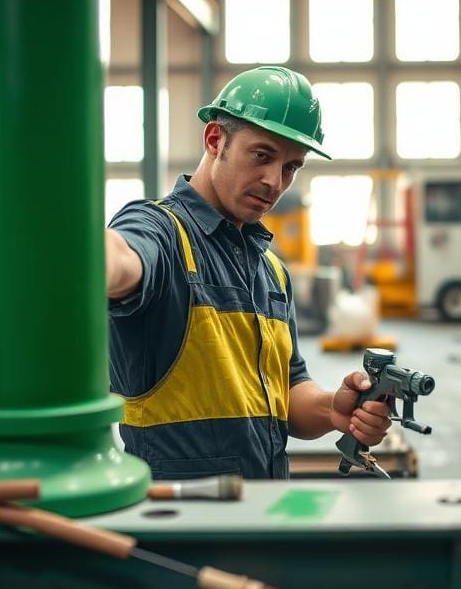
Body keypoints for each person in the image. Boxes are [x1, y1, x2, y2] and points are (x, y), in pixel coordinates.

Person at [104, 65, 391, 480]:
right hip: (177, 523)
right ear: (215, 139)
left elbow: (288, 392)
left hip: (265, 511)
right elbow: (121, 257)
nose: (274, 182)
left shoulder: (271, 269)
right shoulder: (161, 232)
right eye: (262, 155)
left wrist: (333, 409)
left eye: (291, 167)